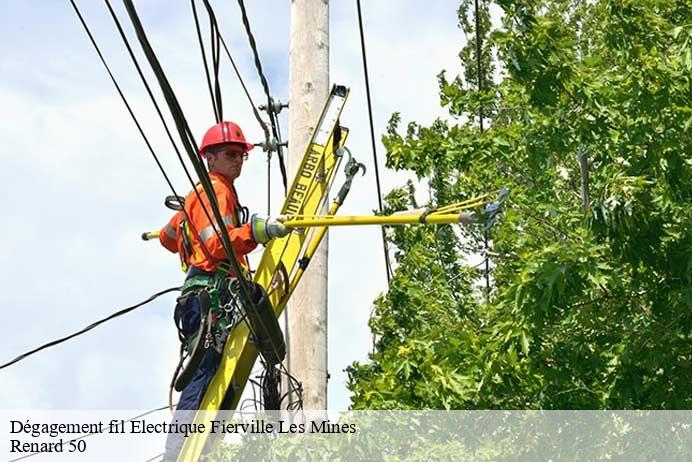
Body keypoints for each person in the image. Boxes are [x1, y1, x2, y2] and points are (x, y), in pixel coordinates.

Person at [158, 121, 288, 460]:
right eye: (230, 154)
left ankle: (185, 450)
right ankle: (178, 454)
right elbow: (217, 245)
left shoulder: (197, 196)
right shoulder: (216, 190)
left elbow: (167, 239)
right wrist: (255, 232)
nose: (238, 160)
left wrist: (188, 230)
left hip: (198, 295)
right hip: (209, 296)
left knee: (207, 372)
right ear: (210, 158)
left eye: (241, 155)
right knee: (203, 375)